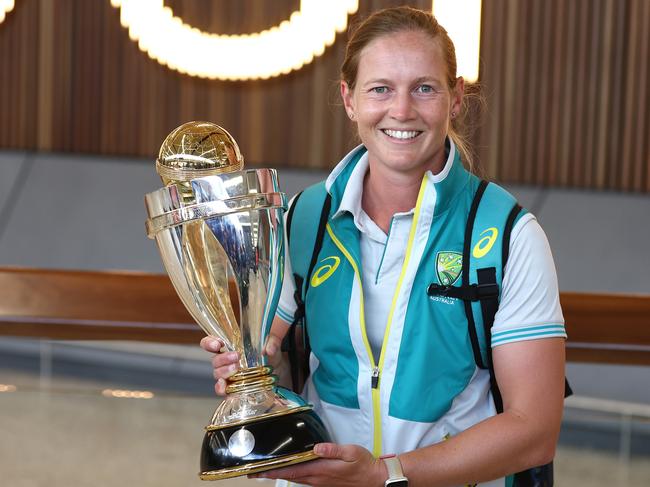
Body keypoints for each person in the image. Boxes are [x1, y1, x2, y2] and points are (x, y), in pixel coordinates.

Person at [201, 6, 566, 487]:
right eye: (380, 89)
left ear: (456, 99)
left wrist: (384, 475)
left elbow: (534, 431)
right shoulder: (303, 218)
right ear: (349, 99)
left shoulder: (507, 234)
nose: (401, 111)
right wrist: (254, 366)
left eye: (424, 88)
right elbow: (282, 365)